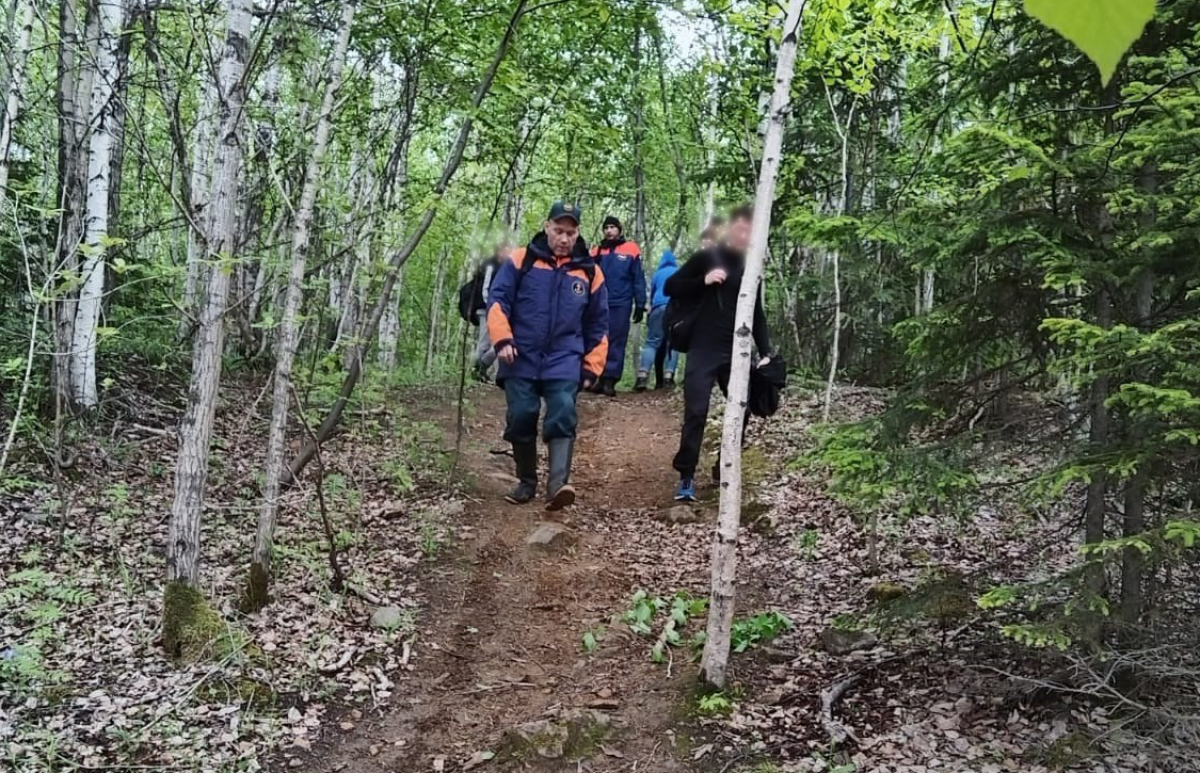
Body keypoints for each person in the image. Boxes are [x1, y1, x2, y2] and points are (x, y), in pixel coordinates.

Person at [487, 202, 609, 510]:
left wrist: (592, 367)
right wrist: (502, 339)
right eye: (558, 231)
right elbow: (498, 300)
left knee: (563, 410)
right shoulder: (521, 260)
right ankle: (526, 481)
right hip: (520, 354)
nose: (564, 238)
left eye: (570, 233)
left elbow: (599, 324)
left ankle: (557, 486)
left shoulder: (590, 272)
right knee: (521, 415)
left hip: (565, 357)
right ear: (547, 227)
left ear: (578, 233)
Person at [665, 205, 774, 502]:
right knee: (696, 411)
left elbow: (757, 315)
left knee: (743, 408)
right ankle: (686, 476)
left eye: (750, 231)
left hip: (736, 352)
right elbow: (671, 286)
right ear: (730, 229)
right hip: (703, 348)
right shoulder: (707, 258)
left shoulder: (750, 268)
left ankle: (723, 467)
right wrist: (702, 281)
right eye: (740, 229)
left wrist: (765, 352)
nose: (744, 235)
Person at [590, 216, 646, 396]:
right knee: (598, 339)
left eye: (612, 227)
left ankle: (610, 380)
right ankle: (597, 377)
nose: (609, 230)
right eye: (606, 227)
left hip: (621, 303)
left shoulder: (631, 249)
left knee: (617, 340)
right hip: (599, 302)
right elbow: (586, 277)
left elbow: (638, 278)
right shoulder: (596, 251)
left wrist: (640, 303)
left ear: (619, 229)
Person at [634, 250, 680, 391]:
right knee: (673, 344)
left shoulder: (657, 274)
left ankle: (642, 376)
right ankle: (668, 377)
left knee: (651, 343)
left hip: (658, 307)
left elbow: (652, 294)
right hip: (675, 308)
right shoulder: (679, 271)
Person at [470, 242, 510, 383]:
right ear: (499, 250)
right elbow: (485, 288)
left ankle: (483, 369)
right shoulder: (490, 265)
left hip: (498, 310)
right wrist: (490, 307)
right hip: (485, 308)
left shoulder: (504, 267)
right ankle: (476, 372)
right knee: (484, 343)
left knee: (499, 341)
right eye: (506, 250)